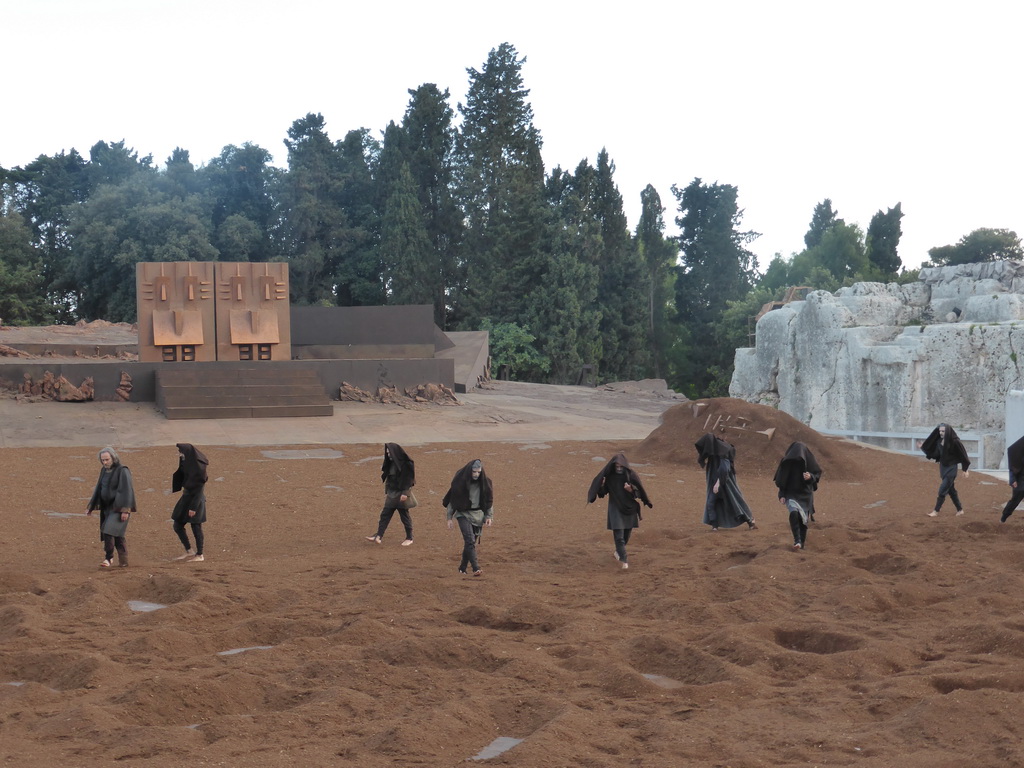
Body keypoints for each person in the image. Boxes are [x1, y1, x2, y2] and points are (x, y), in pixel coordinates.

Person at [586, 452, 652, 570]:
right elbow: (602, 493)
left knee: (626, 534)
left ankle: (619, 552)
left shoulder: (630, 475)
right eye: (616, 467)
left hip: (629, 508)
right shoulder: (610, 476)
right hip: (615, 507)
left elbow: (639, 493)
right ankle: (624, 560)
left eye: (621, 467)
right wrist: (601, 486)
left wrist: (631, 489)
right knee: (619, 536)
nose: (619, 469)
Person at [694, 433, 757, 532]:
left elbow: (724, 469)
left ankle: (750, 521)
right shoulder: (713, 450)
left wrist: (717, 483)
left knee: (735, 501)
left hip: (726, 482)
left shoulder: (722, 450)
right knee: (711, 502)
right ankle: (714, 525)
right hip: (715, 481)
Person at [85, 446, 136, 568]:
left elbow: (127, 490)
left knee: (108, 530)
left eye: (107, 459)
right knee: (117, 535)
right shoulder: (103, 470)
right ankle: (124, 562)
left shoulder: (122, 470)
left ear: (113, 457)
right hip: (106, 508)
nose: (105, 462)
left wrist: (125, 510)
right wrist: (91, 506)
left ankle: (109, 558)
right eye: (103, 460)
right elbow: (99, 488)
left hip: (119, 508)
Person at [443, 459, 494, 576]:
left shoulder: (485, 483)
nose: (476, 474)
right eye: (474, 472)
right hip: (463, 514)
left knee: (470, 544)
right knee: (470, 540)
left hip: (478, 516)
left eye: (478, 472)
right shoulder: (460, 483)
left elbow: (489, 501)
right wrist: (449, 518)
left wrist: (489, 516)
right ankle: (476, 568)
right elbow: (453, 500)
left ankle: (462, 567)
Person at [774, 441, 822, 550]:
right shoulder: (787, 462)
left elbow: (817, 475)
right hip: (791, 494)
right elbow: (782, 480)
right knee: (794, 513)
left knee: (803, 520)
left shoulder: (810, 462)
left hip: (806, 495)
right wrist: (782, 494)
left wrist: (810, 477)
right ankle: (797, 540)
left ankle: (802, 545)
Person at [366, 443, 416, 546]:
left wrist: (405, 493)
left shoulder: (406, 464)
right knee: (385, 514)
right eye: (387, 452)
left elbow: (409, 479)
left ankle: (409, 538)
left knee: (404, 516)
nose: (388, 454)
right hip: (392, 493)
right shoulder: (391, 463)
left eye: (390, 452)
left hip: (401, 494)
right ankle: (378, 535)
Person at [919, 423, 970, 517]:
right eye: (940, 431)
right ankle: (960, 509)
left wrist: (965, 469)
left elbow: (963, 455)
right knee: (951, 490)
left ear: (948, 431)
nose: (941, 433)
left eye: (943, 431)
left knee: (942, 489)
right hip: (943, 468)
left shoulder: (955, 442)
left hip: (951, 469)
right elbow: (936, 455)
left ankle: (936, 511)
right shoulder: (939, 441)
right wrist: (923, 448)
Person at [171, 443, 208, 562]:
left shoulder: (198, 469)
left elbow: (199, 489)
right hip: (186, 497)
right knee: (177, 524)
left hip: (195, 501)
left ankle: (200, 554)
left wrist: (193, 508)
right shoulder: (187, 463)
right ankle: (189, 550)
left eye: (181, 452)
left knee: (196, 526)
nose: (179, 454)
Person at [1001, 434, 1024, 522]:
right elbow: (1013, 466)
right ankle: (1004, 517)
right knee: (1015, 501)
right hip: (1020, 480)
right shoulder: (1018, 450)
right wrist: (1012, 479)